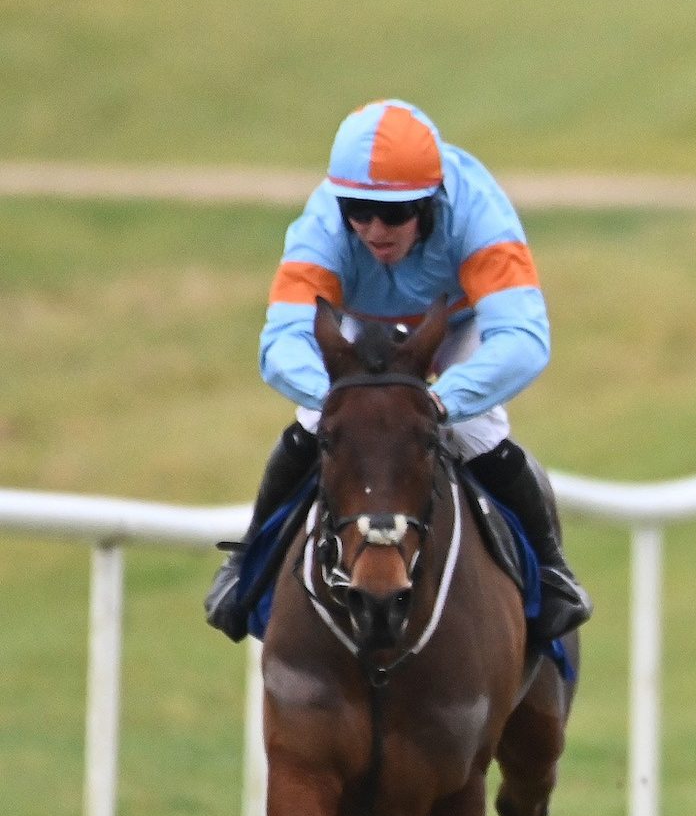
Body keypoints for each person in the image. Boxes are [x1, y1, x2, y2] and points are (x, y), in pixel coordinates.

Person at [205, 99, 591, 645]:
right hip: (362, 329)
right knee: (317, 420)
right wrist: (337, 398)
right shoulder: (323, 225)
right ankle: (247, 563)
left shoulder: (478, 211)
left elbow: (523, 340)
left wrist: (441, 400)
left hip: (457, 324)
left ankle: (552, 574)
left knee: (473, 429)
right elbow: (282, 342)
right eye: (358, 211)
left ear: (431, 204)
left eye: (395, 214)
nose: (374, 229)